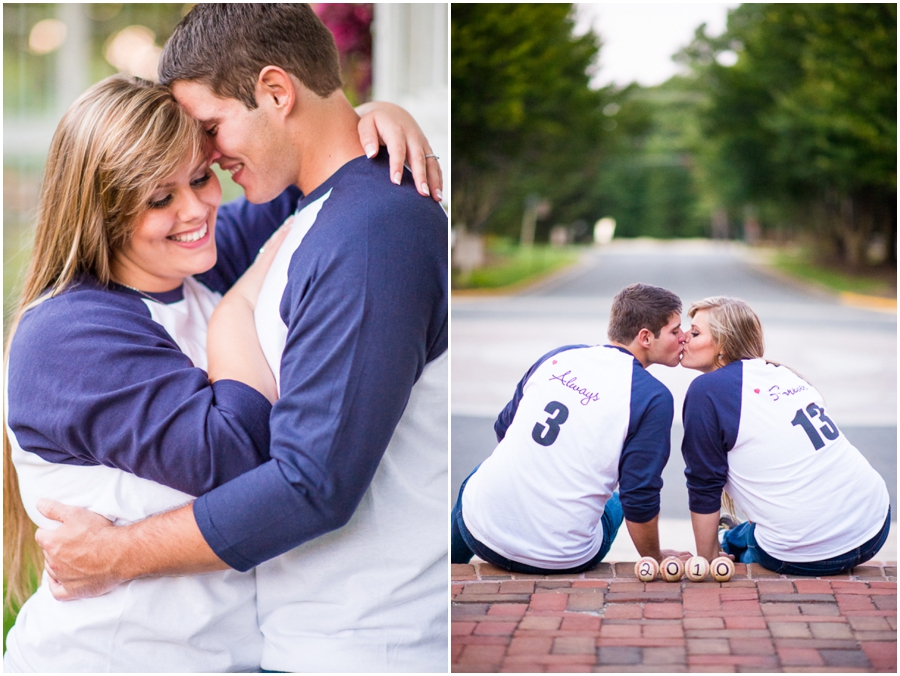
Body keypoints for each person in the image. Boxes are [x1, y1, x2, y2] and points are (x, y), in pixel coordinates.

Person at [34, 5, 449, 673]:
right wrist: (370, 115)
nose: (207, 180)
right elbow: (241, 458)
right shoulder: (76, 330)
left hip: (358, 644)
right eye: (158, 194)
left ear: (276, 92)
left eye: (206, 142)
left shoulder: (354, 235)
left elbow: (309, 484)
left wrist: (379, 113)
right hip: (165, 652)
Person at [451, 283, 690, 573]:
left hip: (479, 533)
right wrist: (655, 559)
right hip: (560, 557)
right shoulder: (653, 396)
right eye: (676, 331)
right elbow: (639, 495)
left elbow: (505, 427)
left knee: (481, 475)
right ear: (645, 337)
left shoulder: (561, 356)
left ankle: (449, 568)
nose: (684, 338)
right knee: (616, 500)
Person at [680, 296, 891, 575]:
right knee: (768, 522)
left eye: (694, 332)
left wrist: (708, 558)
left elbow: (703, 483)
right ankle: (734, 534)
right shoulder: (784, 373)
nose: (683, 337)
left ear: (723, 345)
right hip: (875, 524)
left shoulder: (705, 390)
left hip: (809, 553)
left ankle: (727, 539)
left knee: (750, 540)